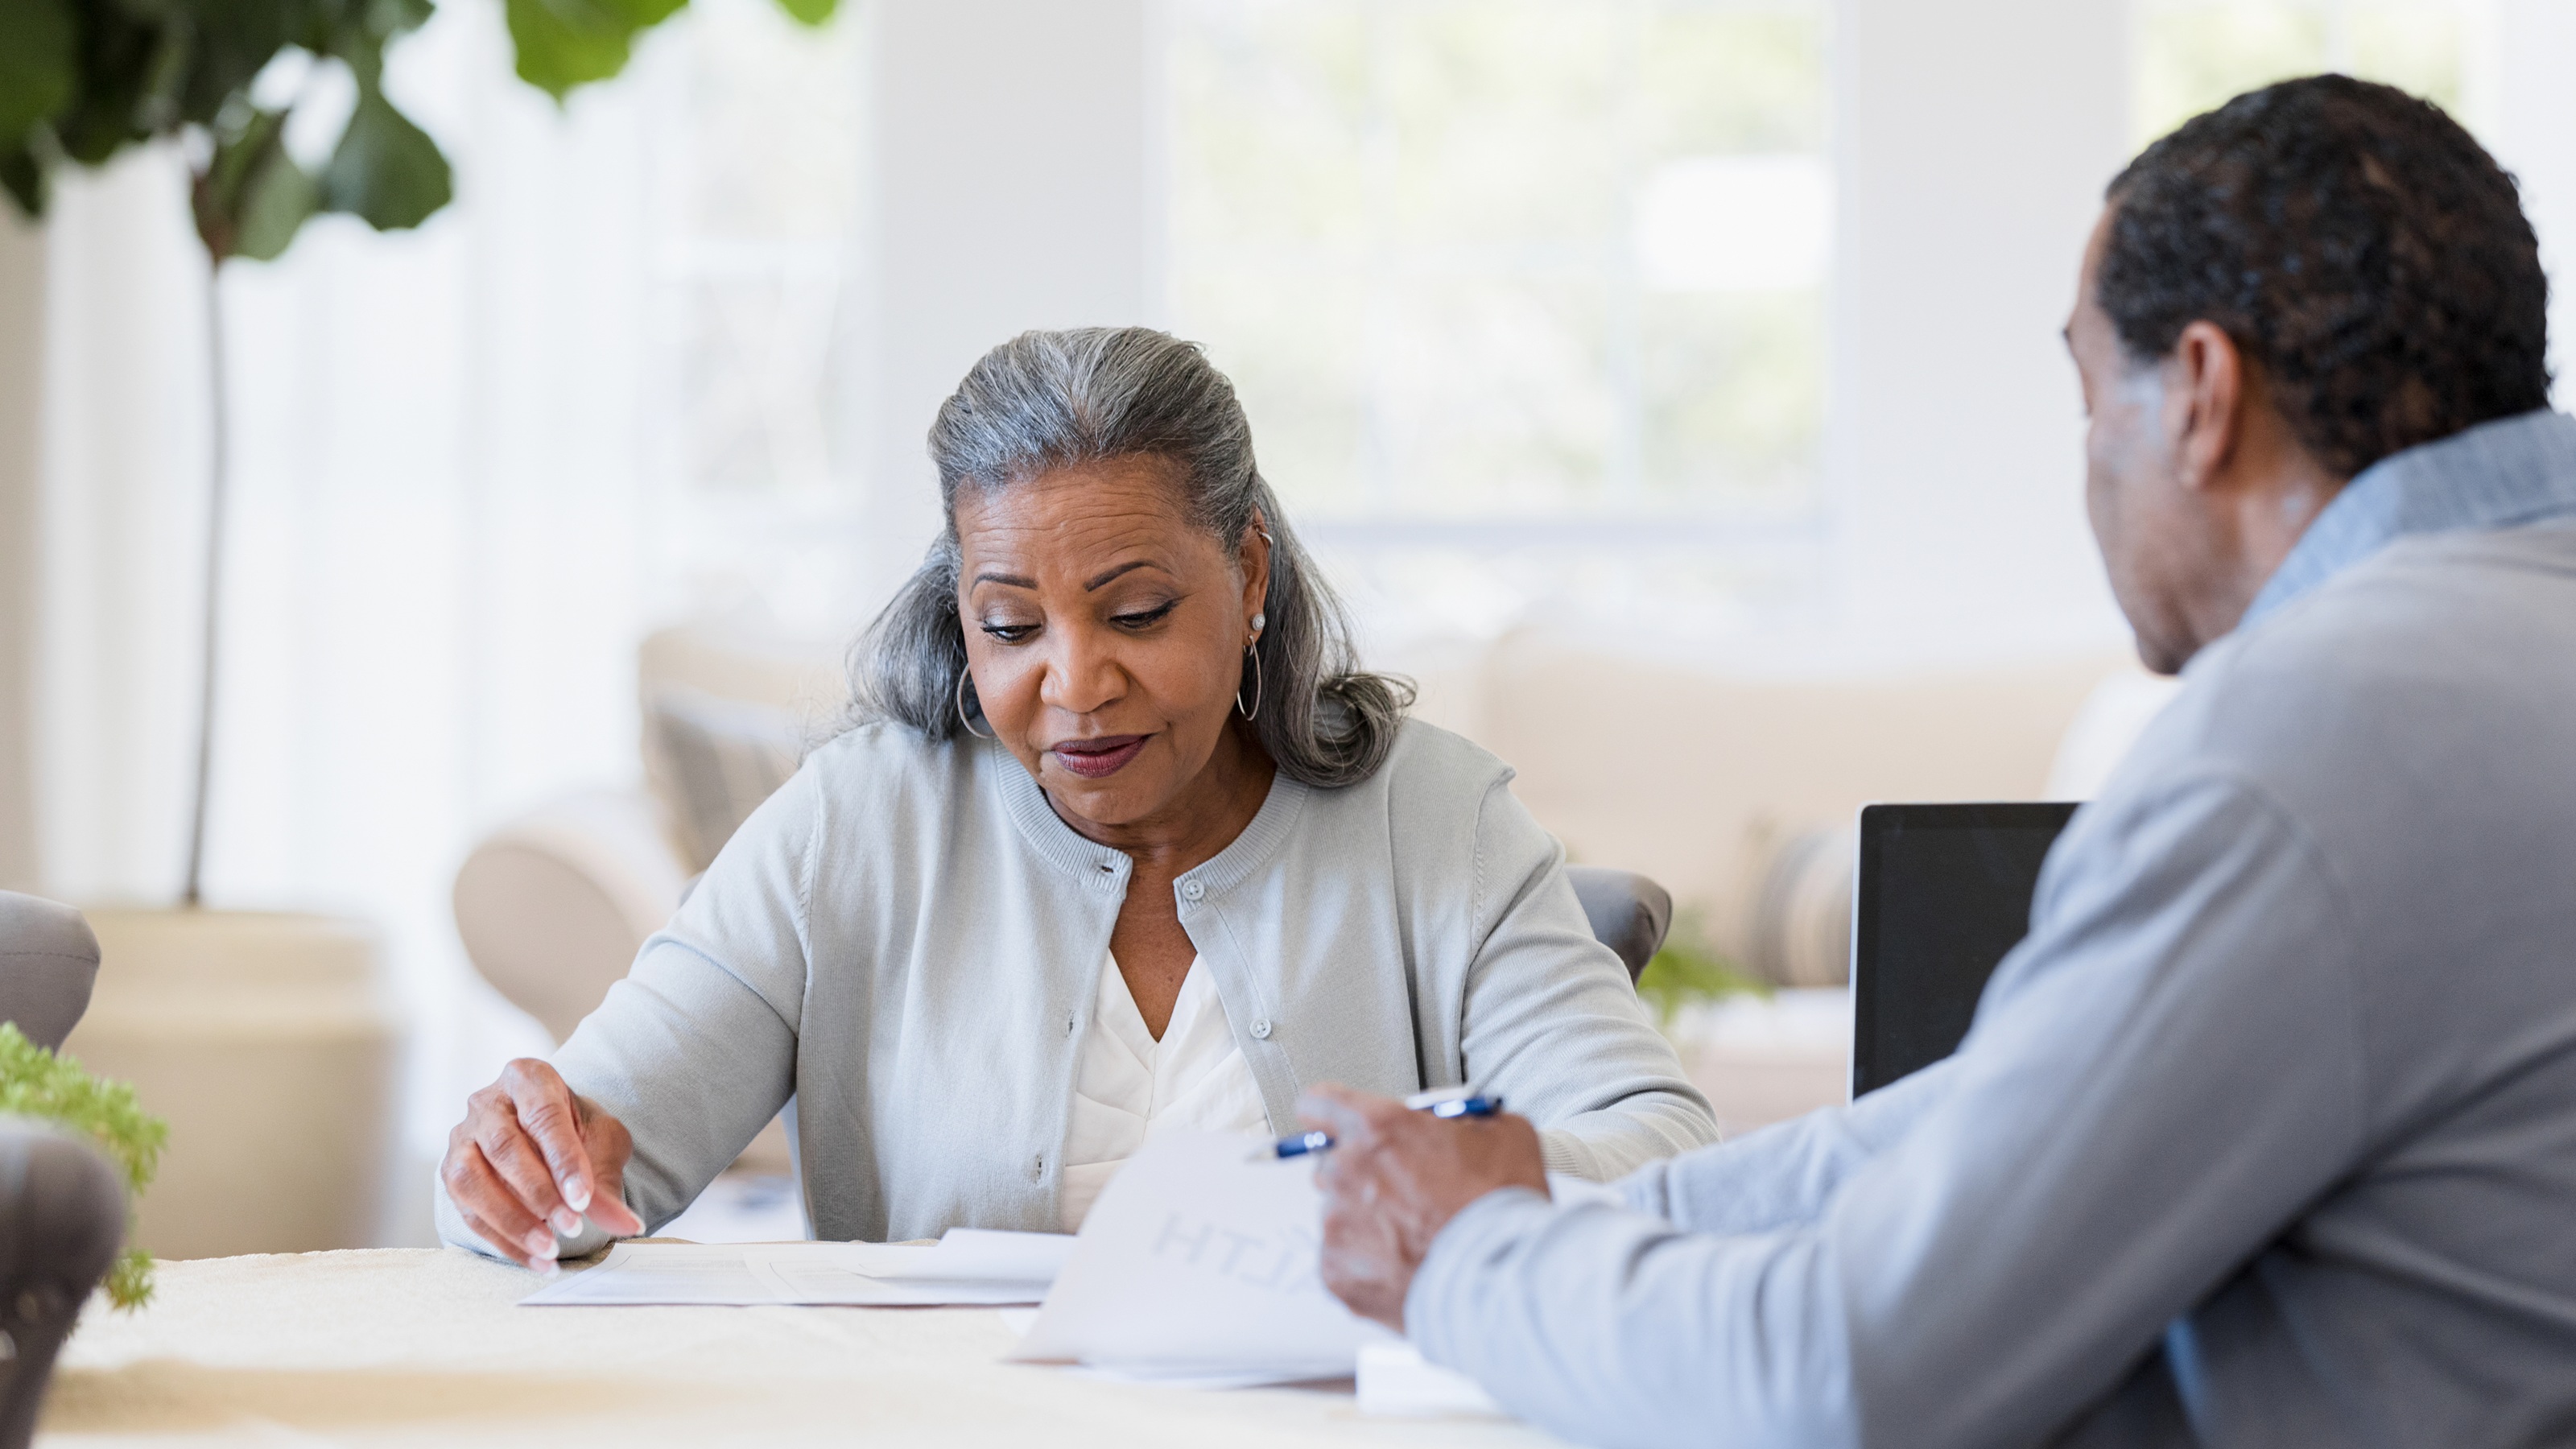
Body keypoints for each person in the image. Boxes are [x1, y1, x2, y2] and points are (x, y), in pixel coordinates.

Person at [1300, 75, 2576, 1448]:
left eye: (2092, 398)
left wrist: (1469, 1258)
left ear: (2201, 392)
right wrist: (1568, 1208)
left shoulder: (2308, 742)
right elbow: (1990, 1124)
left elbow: (1849, 1375)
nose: (2089, 463)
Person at [435, 327, 1718, 1269]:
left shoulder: (1436, 822)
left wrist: (1479, 1176)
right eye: (1010, 626)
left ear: (1251, 572)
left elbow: (1669, 1152)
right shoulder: (854, 828)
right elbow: (561, 1169)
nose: (1075, 683)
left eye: (1138, 613)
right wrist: (520, 1171)